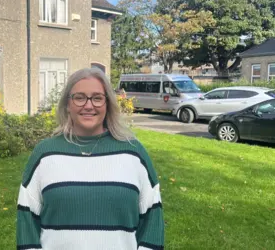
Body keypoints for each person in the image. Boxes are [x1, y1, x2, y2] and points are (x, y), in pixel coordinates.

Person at [16, 68, 164, 250]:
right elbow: (27, 219)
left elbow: (152, 219)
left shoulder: (133, 153)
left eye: (97, 98)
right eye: (79, 97)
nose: (88, 105)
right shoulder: (45, 153)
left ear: (107, 103)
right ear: (68, 105)